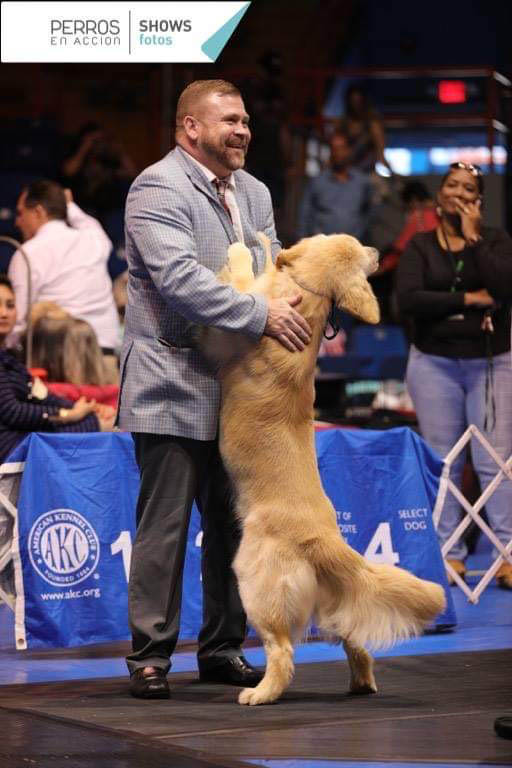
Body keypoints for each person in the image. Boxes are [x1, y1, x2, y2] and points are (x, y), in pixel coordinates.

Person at [117, 79, 312, 700]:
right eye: (230, 120)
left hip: (240, 395)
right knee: (166, 527)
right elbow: (178, 279)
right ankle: (150, 656)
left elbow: (274, 266)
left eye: (247, 120)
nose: (244, 130)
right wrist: (261, 316)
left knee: (237, 527)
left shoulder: (254, 192)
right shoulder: (156, 187)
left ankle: (223, 647)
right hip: (171, 384)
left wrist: (306, 301)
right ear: (190, 128)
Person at [396, 162, 512, 589]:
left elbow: (504, 286)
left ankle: (507, 553)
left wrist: (476, 236)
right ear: (440, 194)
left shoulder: (495, 241)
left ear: (478, 199)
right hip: (434, 363)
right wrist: (468, 297)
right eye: (452, 185)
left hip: (491, 362)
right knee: (443, 460)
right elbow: (408, 299)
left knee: (495, 461)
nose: (459, 193)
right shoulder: (421, 246)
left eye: (469, 188)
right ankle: (449, 554)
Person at [7, 181, 120, 384]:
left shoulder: (28, 253)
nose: (17, 222)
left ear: (39, 211)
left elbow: (20, 319)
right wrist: (68, 204)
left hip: (54, 362)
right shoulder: (94, 238)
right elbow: (88, 222)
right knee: (105, 416)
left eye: (21, 213)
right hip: (104, 359)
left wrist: (7, 357)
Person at [0, 275, 113, 464]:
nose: (4, 312)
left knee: (106, 422)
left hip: (27, 436)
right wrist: (69, 415)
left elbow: (41, 396)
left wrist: (85, 409)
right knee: (105, 426)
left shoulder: (10, 358)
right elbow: (13, 412)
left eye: (10, 305)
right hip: (12, 444)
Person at [296, 129, 372, 241]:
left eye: (342, 148)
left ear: (349, 150)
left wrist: (361, 233)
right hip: (323, 248)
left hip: (352, 248)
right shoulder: (318, 181)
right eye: (334, 149)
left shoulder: (362, 182)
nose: (338, 153)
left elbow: (368, 212)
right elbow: (305, 213)